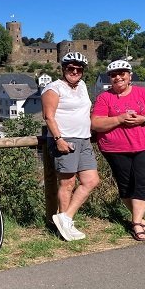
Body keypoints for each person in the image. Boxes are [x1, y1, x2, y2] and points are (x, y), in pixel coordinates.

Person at [91, 60, 145, 241]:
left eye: (122, 73)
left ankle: (136, 222)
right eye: (114, 75)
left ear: (130, 76)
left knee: (144, 182)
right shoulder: (104, 97)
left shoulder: (142, 93)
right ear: (110, 78)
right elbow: (96, 123)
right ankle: (138, 218)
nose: (118, 77)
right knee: (126, 186)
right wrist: (120, 119)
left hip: (144, 145)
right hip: (114, 148)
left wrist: (143, 119)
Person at [42, 52, 100, 241]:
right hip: (65, 138)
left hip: (84, 139)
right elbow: (49, 116)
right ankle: (63, 227)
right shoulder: (53, 88)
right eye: (70, 68)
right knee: (67, 183)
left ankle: (65, 218)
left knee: (91, 180)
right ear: (63, 69)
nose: (74, 72)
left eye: (78, 69)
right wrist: (58, 139)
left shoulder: (82, 86)